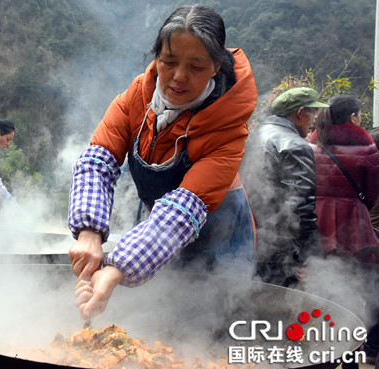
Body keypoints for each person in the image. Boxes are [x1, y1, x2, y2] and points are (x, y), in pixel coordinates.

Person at [68, 4, 258, 320]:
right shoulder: (137, 96)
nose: (178, 77)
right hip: (155, 231)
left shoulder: (229, 126)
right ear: (156, 57)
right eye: (169, 62)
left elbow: (182, 211)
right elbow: (98, 161)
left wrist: (117, 269)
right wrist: (89, 234)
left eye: (196, 67)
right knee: (150, 318)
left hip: (215, 239)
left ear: (215, 66)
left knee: (206, 326)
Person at [307, 96, 379, 365]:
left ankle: (318, 355)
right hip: (353, 228)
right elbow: (371, 194)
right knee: (351, 293)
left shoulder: (311, 145)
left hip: (317, 223)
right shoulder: (367, 148)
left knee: (319, 290)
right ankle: (348, 357)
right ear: (353, 118)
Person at [239, 87, 327, 288]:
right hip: (282, 249)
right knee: (285, 309)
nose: (314, 120)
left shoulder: (253, 136)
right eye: (313, 113)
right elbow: (300, 207)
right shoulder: (296, 145)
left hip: (251, 241)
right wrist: (309, 257)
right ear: (300, 112)